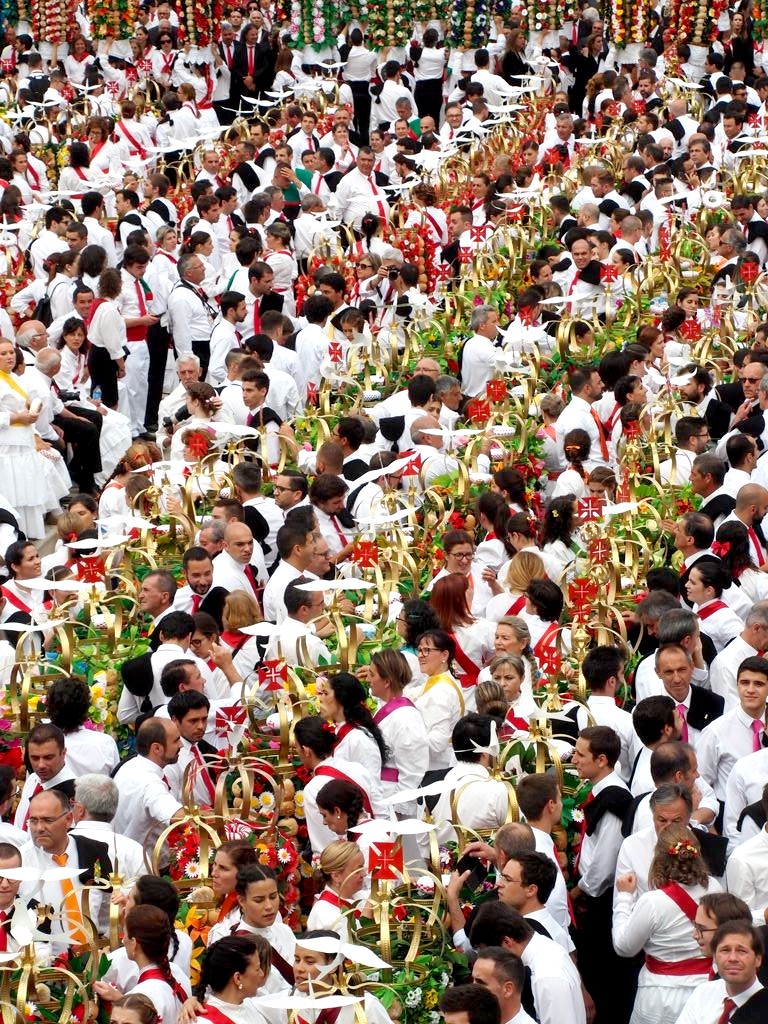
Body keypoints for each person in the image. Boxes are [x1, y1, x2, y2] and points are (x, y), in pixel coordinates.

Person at [613, 824, 719, 1023]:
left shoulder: (652, 902)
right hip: (706, 990)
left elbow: (624, 947)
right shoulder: (715, 888)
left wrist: (624, 897)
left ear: (658, 858)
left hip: (660, 997)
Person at [676, 921, 768, 1024]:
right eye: (725, 950)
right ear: (715, 957)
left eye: (741, 951)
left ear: (758, 959)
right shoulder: (703, 993)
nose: (733, 958)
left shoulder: (764, 1007)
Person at [193, 935, 272, 1024]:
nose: (262, 974)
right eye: (257, 969)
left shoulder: (249, 1005)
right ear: (238, 978)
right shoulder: (204, 1021)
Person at [306, 839, 366, 942]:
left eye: (362, 868)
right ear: (336, 876)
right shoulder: (323, 912)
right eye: (357, 870)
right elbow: (350, 944)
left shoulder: (360, 896)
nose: (364, 874)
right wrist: (368, 912)